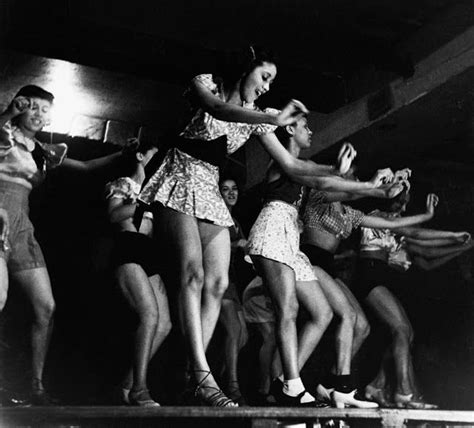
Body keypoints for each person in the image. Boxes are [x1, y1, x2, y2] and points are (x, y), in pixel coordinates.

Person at [138, 46, 308, 407]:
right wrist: (273, 120)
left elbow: (293, 168)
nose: (266, 87)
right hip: (179, 177)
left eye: (271, 83)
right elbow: (218, 110)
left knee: (217, 282)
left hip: (210, 187)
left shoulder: (259, 117)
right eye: (264, 77)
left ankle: (187, 372)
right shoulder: (206, 86)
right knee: (192, 275)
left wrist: (356, 182)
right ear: (245, 70)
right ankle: (202, 374)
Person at [247, 115, 401, 407]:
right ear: (290, 129)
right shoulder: (283, 163)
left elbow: (335, 188)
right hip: (272, 229)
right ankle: (291, 384)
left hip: (291, 238)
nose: (311, 130)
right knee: (289, 308)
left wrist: (375, 188)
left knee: (323, 313)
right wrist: (362, 182)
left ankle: (288, 384)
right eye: (305, 126)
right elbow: (318, 177)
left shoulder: (302, 171)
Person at [0, 85, 128, 405]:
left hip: (22, 228)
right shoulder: (4, 132)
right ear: (21, 106)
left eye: (46, 110)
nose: (40, 115)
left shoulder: (42, 149)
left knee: (46, 307)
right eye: (34, 107)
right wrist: (8, 113)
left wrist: (124, 153)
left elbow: (84, 168)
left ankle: (35, 386)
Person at [354, 184, 446, 408]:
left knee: (406, 333)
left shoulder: (393, 222)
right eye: (399, 201)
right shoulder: (378, 217)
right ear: (387, 198)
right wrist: (452, 235)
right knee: (402, 330)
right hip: (369, 272)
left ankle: (377, 384)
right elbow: (416, 233)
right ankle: (404, 391)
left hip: (380, 273)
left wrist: (457, 241)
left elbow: (423, 246)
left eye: (405, 202)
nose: (402, 206)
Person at [105, 139, 172, 407]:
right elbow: (113, 215)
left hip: (150, 253)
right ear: (142, 155)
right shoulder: (123, 183)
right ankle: (140, 389)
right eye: (154, 155)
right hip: (127, 248)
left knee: (165, 324)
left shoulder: (159, 189)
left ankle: (127, 384)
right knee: (149, 315)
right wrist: (145, 203)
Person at [217, 176, 248, 404]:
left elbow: (246, 247)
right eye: (225, 189)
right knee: (234, 329)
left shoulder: (235, 220)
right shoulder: (217, 215)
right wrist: (236, 245)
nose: (231, 193)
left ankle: (215, 375)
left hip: (233, 282)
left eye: (234, 188)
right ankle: (232, 387)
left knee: (243, 336)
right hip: (218, 279)